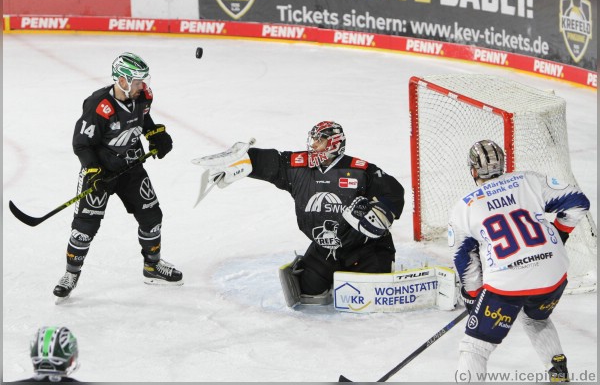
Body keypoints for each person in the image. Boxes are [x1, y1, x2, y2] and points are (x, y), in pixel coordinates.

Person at [200, 121, 405, 303]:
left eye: (320, 140)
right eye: (313, 140)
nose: (314, 145)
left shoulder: (360, 170)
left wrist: (381, 212)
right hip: (324, 249)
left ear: (334, 143)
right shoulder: (299, 167)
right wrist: (245, 160)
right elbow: (273, 161)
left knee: (372, 299)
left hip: (365, 249)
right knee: (305, 293)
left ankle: (378, 266)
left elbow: (393, 191)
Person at [449, 140, 590, 382]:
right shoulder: (528, 180)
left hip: (507, 285)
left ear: (473, 171)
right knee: (535, 318)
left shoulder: (463, 207)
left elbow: (464, 259)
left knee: (475, 347)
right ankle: (558, 373)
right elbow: (578, 202)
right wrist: (560, 234)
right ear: (503, 164)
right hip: (553, 274)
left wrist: (473, 296)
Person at [53, 52, 183, 301]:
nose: (142, 86)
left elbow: (143, 118)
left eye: (143, 81)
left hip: (131, 168)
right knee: (85, 227)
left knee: (152, 217)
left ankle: (152, 266)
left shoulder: (143, 96)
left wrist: (155, 134)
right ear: (122, 80)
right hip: (101, 172)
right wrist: (93, 172)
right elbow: (81, 144)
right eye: (137, 81)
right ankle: (71, 274)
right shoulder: (99, 105)